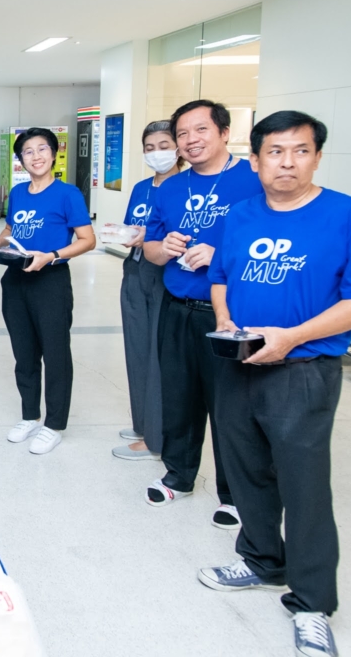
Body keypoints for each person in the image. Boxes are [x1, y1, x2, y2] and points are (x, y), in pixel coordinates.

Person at [199, 111, 351, 657]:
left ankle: (312, 603)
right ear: (255, 160)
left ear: (317, 157)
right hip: (238, 362)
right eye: (275, 152)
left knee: (304, 486)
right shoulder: (241, 215)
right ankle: (262, 559)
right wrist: (226, 322)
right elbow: (221, 277)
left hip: (303, 371)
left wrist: (293, 337)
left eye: (300, 151)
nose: (287, 162)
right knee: (245, 470)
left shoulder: (348, 216)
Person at [142, 99, 264, 528]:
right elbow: (150, 250)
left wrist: (220, 255)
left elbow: (267, 246)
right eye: (182, 134)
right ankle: (178, 475)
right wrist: (164, 248)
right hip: (177, 308)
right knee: (179, 397)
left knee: (230, 406)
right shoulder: (171, 188)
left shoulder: (253, 180)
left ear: (225, 132)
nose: (190, 140)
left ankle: (234, 494)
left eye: (200, 130)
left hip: (229, 315)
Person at [0, 127, 95, 455]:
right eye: (28, 152)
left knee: (55, 354)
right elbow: (11, 228)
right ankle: (30, 415)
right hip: (16, 279)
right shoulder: (18, 192)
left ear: (54, 153)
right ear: (21, 160)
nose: (36, 156)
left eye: (42, 149)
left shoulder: (68, 194)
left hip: (51, 281)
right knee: (24, 353)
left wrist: (52, 256)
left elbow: (88, 240)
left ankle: (54, 424)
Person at [111, 120, 181, 461]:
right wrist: (123, 234)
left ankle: (157, 437)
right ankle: (142, 424)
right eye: (150, 148)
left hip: (164, 274)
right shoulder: (141, 188)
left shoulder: (183, 188)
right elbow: (134, 227)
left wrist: (149, 239)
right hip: (135, 270)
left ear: (178, 148)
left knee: (156, 355)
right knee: (137, 349)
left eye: (164, 146)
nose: (157, 153)